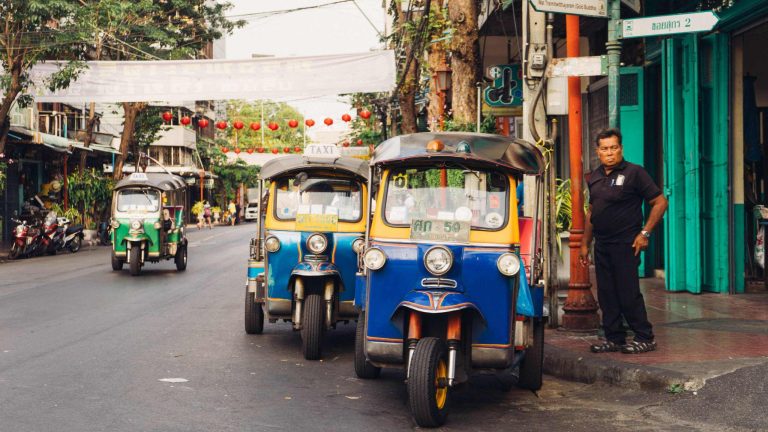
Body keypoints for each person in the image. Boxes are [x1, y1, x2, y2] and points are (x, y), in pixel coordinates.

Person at [579, 128, 668, 355]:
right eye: (605, 149)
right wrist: (584, 244)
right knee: (607, 294)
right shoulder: (595, 177)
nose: (610, 153)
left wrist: (645, 233)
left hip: (627, 243)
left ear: (621, 149)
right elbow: (592, 212)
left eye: (614, 148)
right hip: (603, 244)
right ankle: (614, 338)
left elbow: (660, 202)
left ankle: (644, 337)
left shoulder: (635, 173)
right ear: (598, 152)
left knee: (628, 292)